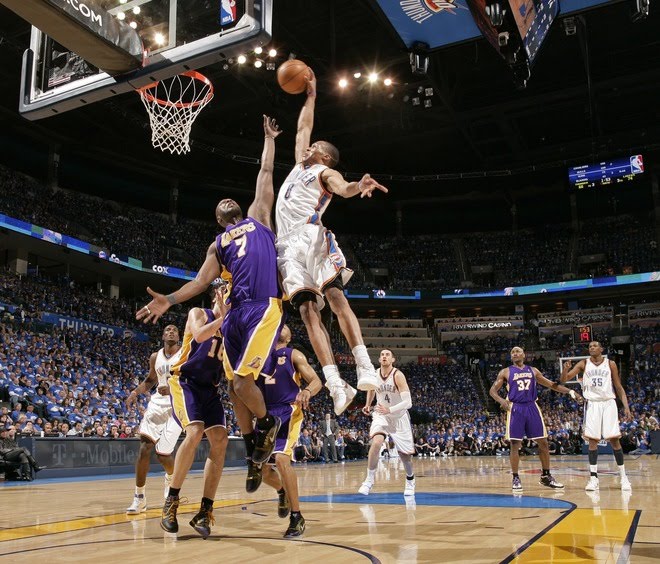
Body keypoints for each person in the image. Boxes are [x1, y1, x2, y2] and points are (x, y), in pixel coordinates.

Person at [137, 116, 284, 467]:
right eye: (220, 204)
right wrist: (169, 299)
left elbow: (265, 173)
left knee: (246, 379)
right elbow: (201, 283)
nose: (225, 201)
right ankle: (256, 437)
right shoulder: (217, 246)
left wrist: (269, 140)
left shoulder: (259, 217)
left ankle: (267, 424)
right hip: (235, 312)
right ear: (219, 219)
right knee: (236, 386)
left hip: (263, 306)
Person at [275, 68, 388, 414]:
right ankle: (336, 384)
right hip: (286, 247)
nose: (307, 147)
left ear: (323, 156)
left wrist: (358, 186)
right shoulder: (298, 166)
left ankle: (364, 365)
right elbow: (302, 127)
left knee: (336, 297)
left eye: (315, 147)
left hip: (310, 236)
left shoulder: (324, 172)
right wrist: (310, 96)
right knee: (308, 311)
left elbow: (343, 188)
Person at [160, 283, 229, 538]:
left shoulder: (234, 327)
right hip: (185, 381)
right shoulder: (199, 313)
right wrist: (223, 318)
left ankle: (205, 511)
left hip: (209, 388)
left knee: (221, 440)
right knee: (195, 431)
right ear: (219, 295)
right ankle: (171, 501)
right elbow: (200, 336)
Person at [255, 325, 322, 538]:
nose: (281, 326)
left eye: (285, 325)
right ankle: (282, 491)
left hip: (288, 411)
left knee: (282, 460)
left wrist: (307, 391)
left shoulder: (294, 354)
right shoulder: (258, 354)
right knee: (260, 471)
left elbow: (316, 381)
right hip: (265, 415)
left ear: (290, 334)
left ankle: (296, 516)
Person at [490, 346, 581, 492]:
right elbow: (492, 391)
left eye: (518, 351)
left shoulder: (533, 371)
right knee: (515, 444)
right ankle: (515, 477)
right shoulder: (505, 372)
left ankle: (546, 476)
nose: (515, 353)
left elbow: (552, 385)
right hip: (516, 408)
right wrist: (501, 401)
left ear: (524, 355)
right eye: (512, 352)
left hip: (532, 406)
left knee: (543, 442)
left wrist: (571, 391)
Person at [125, 324, 182, 514]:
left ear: (179, 336)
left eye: (174, 329)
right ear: (163, 336)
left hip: (177, 406)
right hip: (157, 403)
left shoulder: (185, 353)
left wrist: (173, 389)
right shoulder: (155, 357)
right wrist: (135, 392)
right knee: (144, 448)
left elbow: (193, 380)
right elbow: (150, 380)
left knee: (162, 453)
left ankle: (171, 477)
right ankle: (139, 497)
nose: (171, 331)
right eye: (167, 329)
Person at [561, 341, 633, 491]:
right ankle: (593, 478)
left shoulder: (610, 363)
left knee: (614, 440)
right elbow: (564, 380)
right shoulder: (583, 363)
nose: (592, 348)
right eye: (590, 346)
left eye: (595, 346)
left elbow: (618, 386)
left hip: (608, 403)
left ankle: (624, 477)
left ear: (601, 349)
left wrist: (626, 406)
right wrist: (565, 370)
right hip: (592, 403)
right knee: (592, 441)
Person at [359, 349, 416, 497]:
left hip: (398, 416)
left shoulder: (398, 375)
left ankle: (410, 479)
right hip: (381, 414)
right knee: (377, 442)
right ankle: (369, 480)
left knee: (405, 456)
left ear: (393, 360)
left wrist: (389, 409)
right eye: (382, 355)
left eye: (387, 355)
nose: (384, 356)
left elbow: (408, 402)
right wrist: (368, 404)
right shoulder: (375, 374)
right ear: (379, 360)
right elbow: (371, 389)